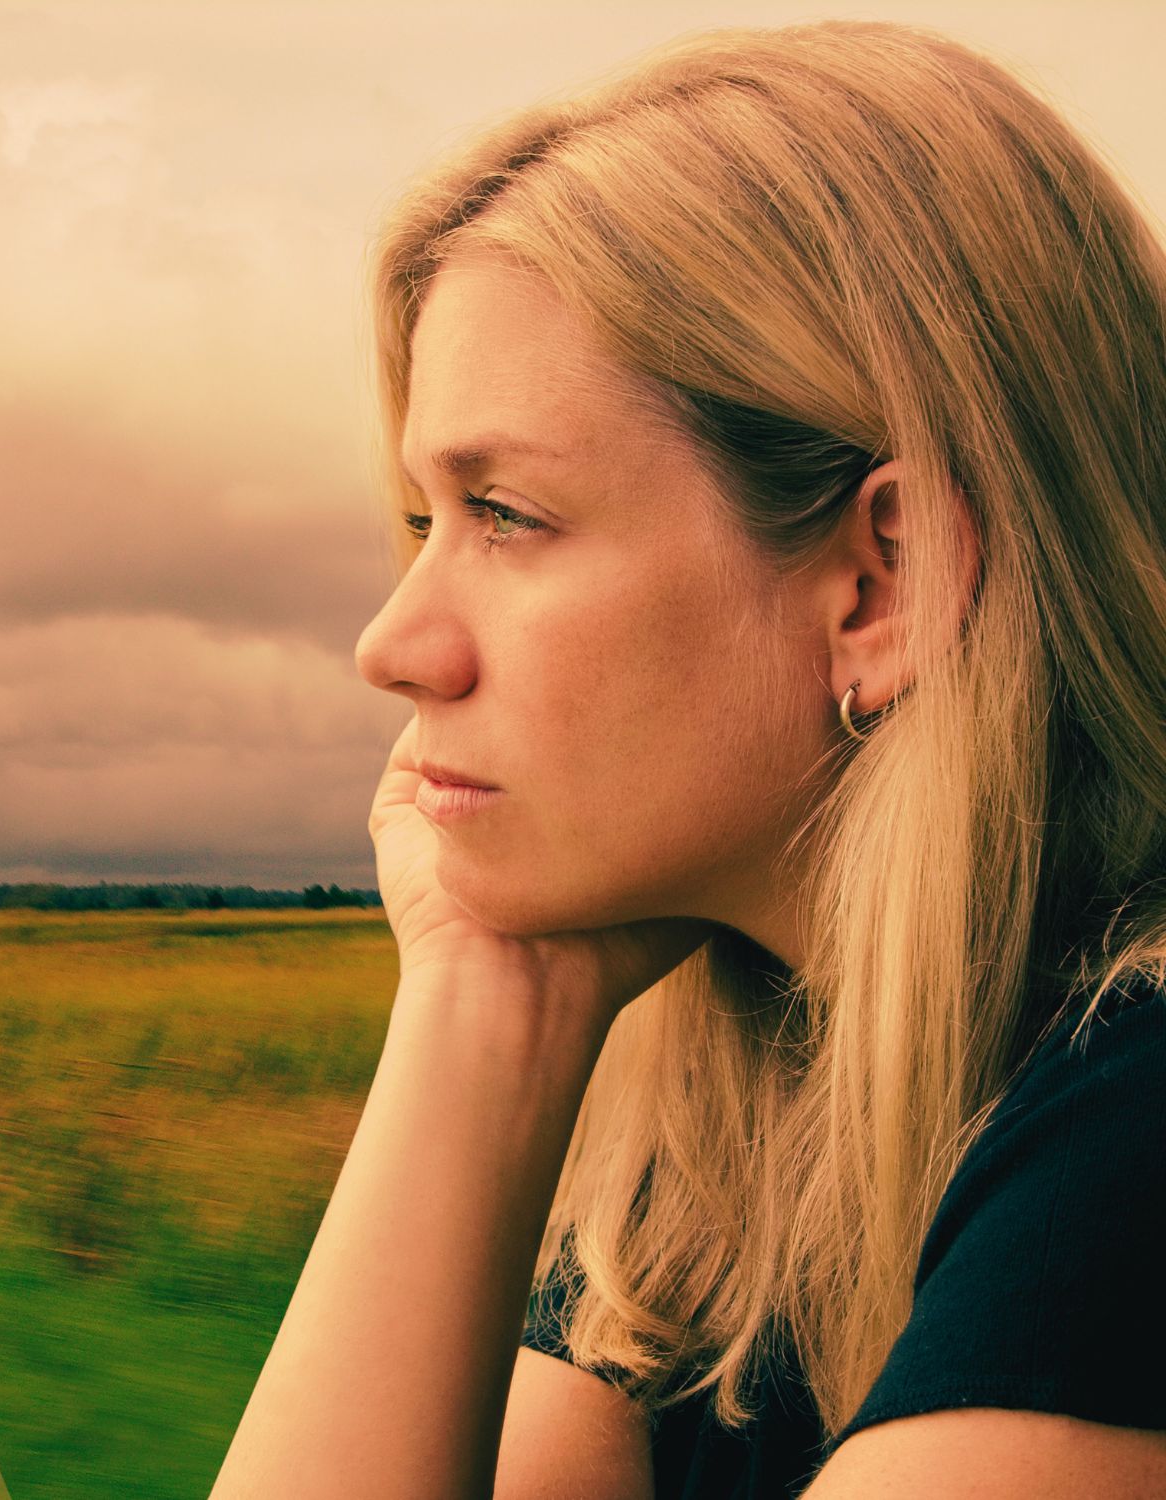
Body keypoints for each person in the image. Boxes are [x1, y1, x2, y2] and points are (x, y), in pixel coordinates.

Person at [209, 19, 1166, 1499]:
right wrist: (484, 1001)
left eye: (507, 516)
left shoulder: (1134, 1142)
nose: (394, 647)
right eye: (423, 523)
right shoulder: (744, 1128)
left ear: (881, 587)